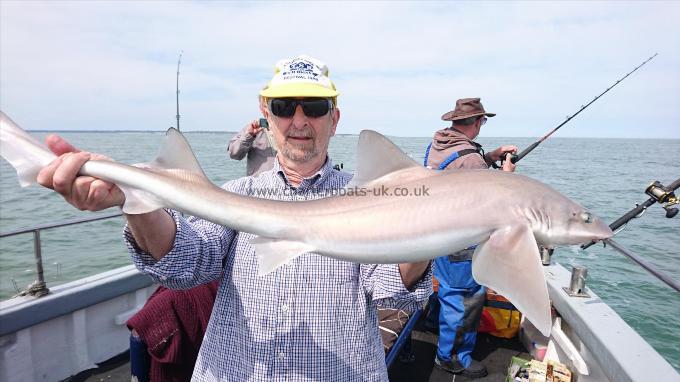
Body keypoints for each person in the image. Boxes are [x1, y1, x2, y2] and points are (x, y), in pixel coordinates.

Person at [36, 55, 432, 381]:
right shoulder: (235, 196)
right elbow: (185, 264)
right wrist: (135, 201)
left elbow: (391, 291)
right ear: (265, 114)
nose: (298, 121)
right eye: (283, 107)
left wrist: (433, 228)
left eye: (313, 108)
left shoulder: (370, 198)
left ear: (334, 118)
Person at [424, 97, 517, 378]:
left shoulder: (439, 145)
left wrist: (491, 156)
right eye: (483, 121)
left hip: (440, 234)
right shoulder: (470, 158)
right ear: (476, 122)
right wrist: (506, 177)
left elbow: (462, 171)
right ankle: (452, 357)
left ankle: (434, 324)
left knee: (447, 289)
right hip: (462, 238)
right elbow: (488, 202)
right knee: (465, 298)